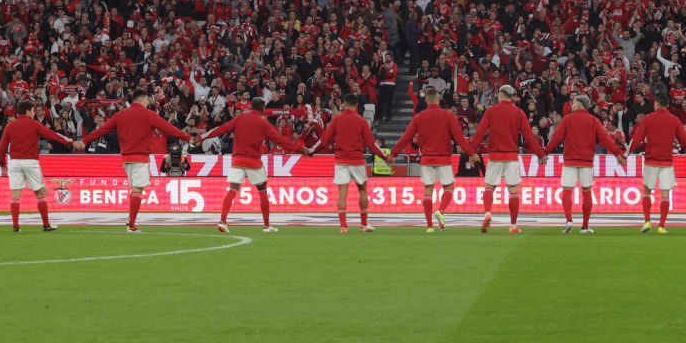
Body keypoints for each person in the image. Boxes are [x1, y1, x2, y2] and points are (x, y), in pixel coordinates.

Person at [77, 89, 194, 233]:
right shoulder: (148, 114)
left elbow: (102, 129)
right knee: (138, 189)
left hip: (126, 158)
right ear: (141, 99)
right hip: (140, 157)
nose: (147, 103)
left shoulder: (121, 115)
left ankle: (130, 222)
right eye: (146, 100)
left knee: (136, 189)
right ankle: (131, 224)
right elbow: (168, 128)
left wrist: (85, 141)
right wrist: (188, 137)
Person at [199, 97, 305, 233]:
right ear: (262, 108)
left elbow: (221, 129)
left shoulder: (240, 118)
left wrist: (201, 137)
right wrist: (301, 149)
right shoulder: (263, 123)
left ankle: (222, 221)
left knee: (233, 189)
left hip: (237, 160)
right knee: (262, 190)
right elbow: (280, 140)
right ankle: (266, 226)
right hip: (253, 161)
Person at [388, 87, 480, 232]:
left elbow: (406, 137)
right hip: (443, 159)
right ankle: (441, 211)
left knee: (428, 190)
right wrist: (471, 153)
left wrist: (393, 154)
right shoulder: (448, 116)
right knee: (449, 187)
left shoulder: (419, 117)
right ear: (439, 99)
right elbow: (459, 138)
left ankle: (429, 225)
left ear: (425, 100)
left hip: (426, 159)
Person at [305, 93, 391, 233]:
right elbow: (371, 144)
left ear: (344, 104)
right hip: (357, 161)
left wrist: (311, 150)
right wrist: (385, 157)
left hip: (341, 161)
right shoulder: (362, 121)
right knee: (362, 190)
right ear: (356, 105)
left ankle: (343, 226)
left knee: (342, 192)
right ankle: (363, 224)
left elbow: (324, 140)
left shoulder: (337, 120)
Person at [543, 95, 625, 234]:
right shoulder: (594, 120)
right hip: (586, 162)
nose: (572, 104)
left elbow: (556, 138)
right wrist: (618, 153)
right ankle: (585, 226)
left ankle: (569, 220)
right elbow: (605, 139)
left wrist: (545, 153)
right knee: (586, 191)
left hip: (570, 161)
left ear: (580, 105)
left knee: (567, 190)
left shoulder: (568, 119)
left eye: (574, 102)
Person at [470, 84, 546, 234]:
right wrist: (540, 154)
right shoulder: (518, 113)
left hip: (495, 155)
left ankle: (487, 213)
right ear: (512, 97)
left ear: (500, 95)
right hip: (511, 156)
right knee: (513, 191)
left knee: (489, 187)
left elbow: (479, 132)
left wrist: (472, 151)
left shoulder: (491, 111)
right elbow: (529, 137)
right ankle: (513, 225)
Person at [626, 93, 686, 234]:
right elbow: (685, 140)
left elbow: (637, 139)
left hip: (650, 161)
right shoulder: (674, 120)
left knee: (647, 191)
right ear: (667, 105)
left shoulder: (648, 119)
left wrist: (625, 154)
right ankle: (661, 226)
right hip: (666, 162)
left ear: (656, 105)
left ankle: (647, 221)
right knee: (665, 195)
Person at [0, 100, 74, 232]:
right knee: (40, 194)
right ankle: (46, 225)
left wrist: (2, 163)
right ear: (27, 111)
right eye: (32, 110)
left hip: (15, 163)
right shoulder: (34, 124)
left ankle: (15, 226)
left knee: (15, 196)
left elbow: (2, 147)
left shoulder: (10, 126)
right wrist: (70, 142)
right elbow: (51, 134)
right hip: (30, 162)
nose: (34, 113)